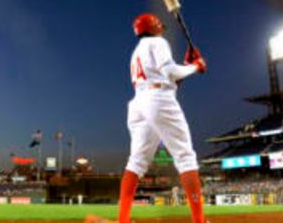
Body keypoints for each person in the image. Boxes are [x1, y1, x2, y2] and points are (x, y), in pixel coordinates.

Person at [86, 14, 208, 223]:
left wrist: (186, 63)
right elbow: (169, 73)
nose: (162, 28)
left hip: (139, 104)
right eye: (160, 25)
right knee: (185, 157)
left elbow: (169, 81)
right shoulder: (158, 42)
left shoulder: (136, 53)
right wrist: (196, 66)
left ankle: (123, 220)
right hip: (158, 99)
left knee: (137, 162)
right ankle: (199, 221)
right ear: (154, 26)